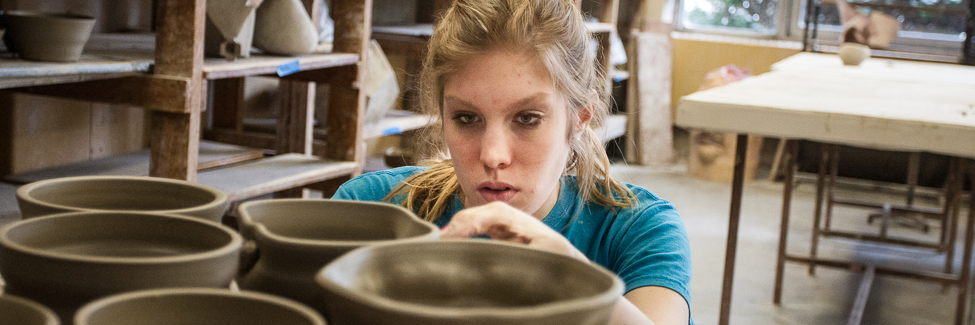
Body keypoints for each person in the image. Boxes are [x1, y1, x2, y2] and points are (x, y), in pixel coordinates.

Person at [332, 0, 692, 324]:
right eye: (466, 119)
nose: (493, 156)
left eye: (528, 118)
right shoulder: (372, 206)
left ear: (580, 118)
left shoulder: (638, 230)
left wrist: (571, 277)